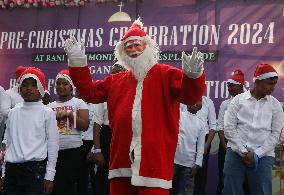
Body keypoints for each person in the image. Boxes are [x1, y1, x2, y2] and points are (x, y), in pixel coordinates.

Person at [64, 18, 206, 195]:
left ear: (147, 47)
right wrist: (77, 61)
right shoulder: (116, 80)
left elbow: (190, 96)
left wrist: (193, 76)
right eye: (128, 47)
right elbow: (89, 93)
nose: (133, 50)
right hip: (121, 160)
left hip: (154, 163)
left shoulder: (166, 74)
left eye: (137, 45)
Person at [223, 64, 284, 195]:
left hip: (263, 156)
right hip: (235, 153)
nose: (273, 87)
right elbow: (228, 128)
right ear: (256, 81)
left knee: (262, 192)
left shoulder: (275, 106)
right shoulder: (238, 100)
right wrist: (244, 151)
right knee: (230, 191)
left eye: (274, 83)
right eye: (269, 83)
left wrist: (257, 154)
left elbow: (277, 134)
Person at [0, 67, 59, 195]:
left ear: (41, 89)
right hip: (12, 170)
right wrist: (4, 172)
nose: (28, 88)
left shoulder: (47, 112)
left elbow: (53, 146)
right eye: (25, 85)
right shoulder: (13, 112)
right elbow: (6, 144)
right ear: (19, 89)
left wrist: (50, 176)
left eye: (34, 85)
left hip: (35, 171)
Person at [88, 62, 127, 195]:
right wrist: (97, 151)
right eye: (112, 73)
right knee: (104, 179)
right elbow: (97, 124)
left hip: (124, 139)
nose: (114, 75)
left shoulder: (131, 94)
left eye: (118, 72)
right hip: (106, 137)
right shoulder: (104, 96)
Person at [48, 69, 89, 195]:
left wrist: (69, 114)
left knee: (69, 187)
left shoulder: (78, 103)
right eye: (58, 83)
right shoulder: (49, 106)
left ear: (71, 87)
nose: (61, 86)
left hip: (73, 151)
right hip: (53, 151)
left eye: (65, 84)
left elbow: (84, 126)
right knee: (55, 186)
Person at [216, 69, 246, 195]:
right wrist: (224, 145)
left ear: (240, 86)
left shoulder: (248, 101)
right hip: (226, 144)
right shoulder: (225, 104)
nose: (228, 88)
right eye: (228, 86)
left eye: (231, 85)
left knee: (246, 180)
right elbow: (220, 126)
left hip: (245, 144)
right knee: (225, 177)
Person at [170, 100, 206, 195]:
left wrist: (197, 164)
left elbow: (201, 146)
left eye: (199, 101)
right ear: (187, 102)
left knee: (187, 191)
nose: (196, 103)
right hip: (173, 160)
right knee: (167, 188)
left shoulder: (201, 123)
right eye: (193, 100)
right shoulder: (178, 115)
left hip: (189, 164)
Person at [193, 95, 216, 195]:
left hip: (204, 140)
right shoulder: (183, 99)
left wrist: (206, 145)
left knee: (201, 173)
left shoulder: (208, 102)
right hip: (188, 138)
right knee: (184, 170)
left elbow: (213, 126)